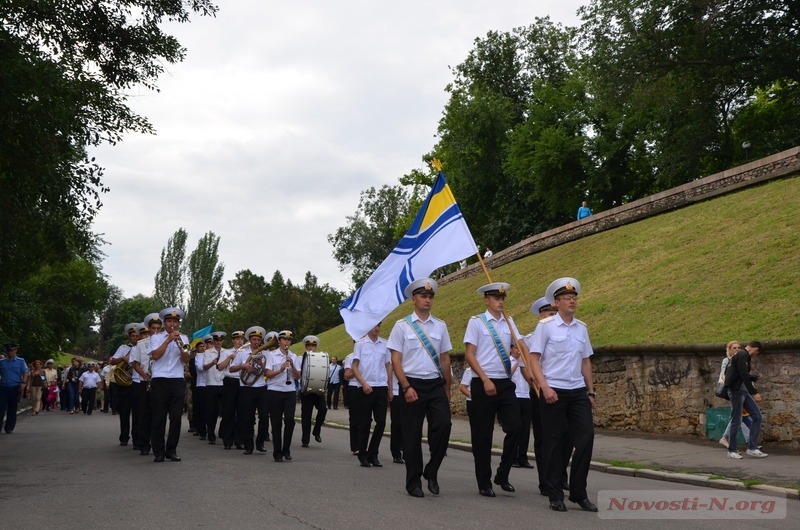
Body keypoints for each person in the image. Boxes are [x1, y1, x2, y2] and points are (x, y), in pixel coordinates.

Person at [528, 277, 597, 512]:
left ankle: (578, 492)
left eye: (574, 297)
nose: (572, 301)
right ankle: (555, 493)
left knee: (585, 438)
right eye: (567, 298)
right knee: (555, 443)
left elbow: (585, 361)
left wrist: (591, 390)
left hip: (577, 390)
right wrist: (544, 387)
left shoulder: (582, 328)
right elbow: (534, 359)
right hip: (553, 389)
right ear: (556, 303)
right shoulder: (545, 327)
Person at [388, 278, 453, 498]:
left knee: (444, 425)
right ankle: (413, 482)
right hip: (412, 383)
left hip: (435, 384)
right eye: (423, 296)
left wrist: (447, 386)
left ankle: (432, 470)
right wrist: (405, 387)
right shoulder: (402, 326)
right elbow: (396, 360)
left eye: (430, 296)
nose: (427, 299)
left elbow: (445, 358)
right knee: (411, 436)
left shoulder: (440, 325)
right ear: (414, 299)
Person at [463, 282, 527, 498]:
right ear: (486, 300)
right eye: (496, 298)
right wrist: (484, 379)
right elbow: (469, 354)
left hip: (504, 382)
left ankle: (503, 473)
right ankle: (484, 482)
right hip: (483, 383)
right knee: (482, 436)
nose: (500, 301)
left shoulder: (509, 322)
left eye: (503, 298)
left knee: (517, 427)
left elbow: (520, 345)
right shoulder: (477, 322)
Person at [149, 307, 190, 462]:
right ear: (164, 323)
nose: (172, 324)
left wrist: (179, 343)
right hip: (159, 380)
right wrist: (168, 340)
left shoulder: (184, 338)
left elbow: (186, 359)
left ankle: (171, 450)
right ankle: (158, 451)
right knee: (158, 417)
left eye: (175, 321)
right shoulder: (156, 338)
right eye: (169, 321)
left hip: (177, 380)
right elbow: (156, 356)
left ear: (178, 324)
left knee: (176, 418)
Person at [351, 323, 391, 468]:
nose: (377, 329)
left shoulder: (385, 344)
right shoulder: (360, 344)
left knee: (381, 422)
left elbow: (388, 366)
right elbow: (354, 366)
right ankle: (363, 454)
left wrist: (390, 389)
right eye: (374, 326)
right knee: (365, 422)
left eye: (379, 326)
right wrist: (363, 383)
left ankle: (374, 453)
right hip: (365, 387)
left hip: (381, 386)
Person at [230, 326, 271, 455]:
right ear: (250, 340)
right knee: (247, 417)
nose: (256, 342)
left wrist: (262, 365)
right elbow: (231, 369)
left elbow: (268, 373)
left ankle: (260, 443)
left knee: (264, 416)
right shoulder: (242, 353)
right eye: (254, 339)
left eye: (258, 339)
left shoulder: (265, 354)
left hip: (261, 387)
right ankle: (248, 445)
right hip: (246, 388)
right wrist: (243, 366)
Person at [725, 341, 767, 459]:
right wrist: (754, 392)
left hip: (742, 391)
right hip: (736, 391)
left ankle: (752, 447)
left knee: (757, 417)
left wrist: (751, 377)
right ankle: (732, 450)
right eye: (757, 352)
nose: (756, 355)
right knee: (736, 421)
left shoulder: (743, 356)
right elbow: (743, 374)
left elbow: (740, 373)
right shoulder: (743, 355)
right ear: (755, 349)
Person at [265, 330, 301, 462]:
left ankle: (286, 449)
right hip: (274, 390)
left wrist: (292, 365)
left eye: (289, 340)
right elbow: (268, 374)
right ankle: (277, 452)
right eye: (284, 339)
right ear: (279, 341)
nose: (287, 342)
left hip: (289, 391)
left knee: (290, 420)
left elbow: (298, 377)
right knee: (276, 422)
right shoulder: (271, 355)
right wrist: (280, 369)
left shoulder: (294, 356)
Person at [131, 312, 162, 455]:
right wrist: (143, 374)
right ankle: (144, 444)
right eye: (153, 328)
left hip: (160, 382)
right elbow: (136, 363)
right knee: (144, 413)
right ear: (149, 329)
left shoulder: (164, 341)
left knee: (158, 414)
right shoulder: (141, 344)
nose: (155, 331)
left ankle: (157, 443)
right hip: (145, 382)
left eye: (158, 328)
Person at [717, 341, 751, 448]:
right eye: (734, 348)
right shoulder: (727, 360)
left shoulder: (742, 359)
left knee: (742, 416)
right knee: (739, 416)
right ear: (729, 350)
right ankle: (726, 438)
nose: (737, 349)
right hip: (734, 391)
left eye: (738, 347)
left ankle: (749, 440)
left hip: (742, 391)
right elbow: (723, 375)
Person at [109, 322, 139, 445]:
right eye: (133, 336)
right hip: (125, 384)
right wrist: (123, 358)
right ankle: (124, 437)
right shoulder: (123, 348)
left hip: (137, 382)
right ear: (129, 337)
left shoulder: (144, 346)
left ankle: (137, 438)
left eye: (137, 336)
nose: (135, 338)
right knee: (124, 412)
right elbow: (111, 361)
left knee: (138, 412)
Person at [217, 330, 246, 450]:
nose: (240, 341)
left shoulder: (245, 353)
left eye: (242, 339)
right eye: (237, 339)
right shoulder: (226, 352)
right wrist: (229, 357)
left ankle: (239, 440)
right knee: (229, 411)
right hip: (229, 382)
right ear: (233, 341)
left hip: (242, 382)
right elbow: (219, 367)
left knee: (241, 412)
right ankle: (227, 440)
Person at [299, 335, 328, 447]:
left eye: (313, 346)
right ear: (306, 346)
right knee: (306, 416)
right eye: (309, 345)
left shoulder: (321, 358)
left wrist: (324, 388)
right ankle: (305, 440)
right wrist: (303, 388)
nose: (311, 347)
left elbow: (325, 373)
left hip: (318, 390)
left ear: (315, 347)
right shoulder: (301, 358)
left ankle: (316, 431)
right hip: (306, 392)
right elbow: (299, 375)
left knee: (323, 409)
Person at [203, 331, 226, 445]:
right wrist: (212, 363)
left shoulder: (226, 352)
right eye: (216, 340)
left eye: (220, 340)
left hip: (223, 383)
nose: (218, 342)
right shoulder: (207, 352)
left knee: (226, 410)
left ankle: (223, 430)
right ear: (213, 341)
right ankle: (211, 433)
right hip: (211, 384)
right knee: (212, 411)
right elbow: (204, 367)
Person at [0, 343, 29, 433]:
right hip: (3, 387)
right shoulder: (2, 362)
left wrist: (23, 382)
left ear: (15, 350)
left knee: (12, 408)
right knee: (1, 408)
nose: (10, 352)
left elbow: (25, 372)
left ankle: (9, 427)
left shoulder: (20, 361)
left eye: (11, 350)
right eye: (8, 350)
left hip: (15, 387)